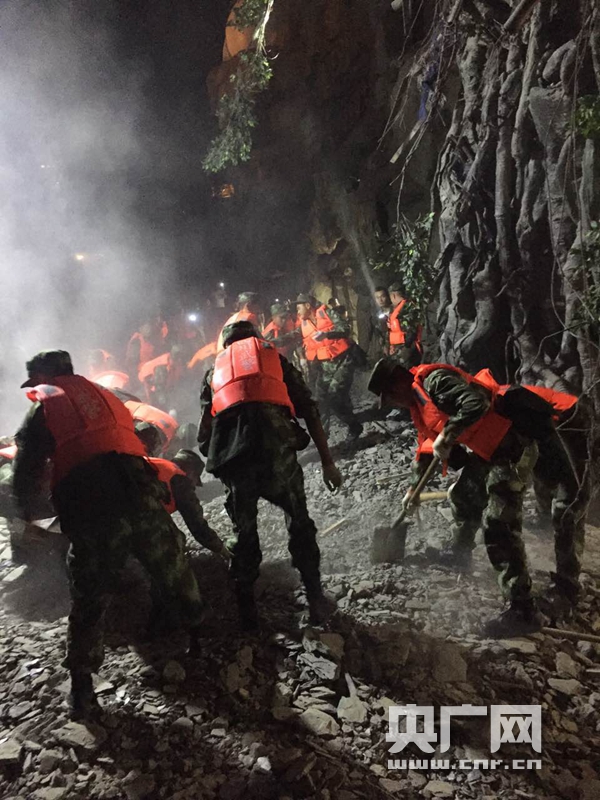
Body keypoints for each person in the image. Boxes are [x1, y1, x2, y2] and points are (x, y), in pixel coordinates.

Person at [12, 350, 206, 719]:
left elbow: (27, 465)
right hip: (138, 489)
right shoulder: (105, 396)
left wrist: (30, 517)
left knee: (89, 592)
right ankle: (198, 638)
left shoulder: (46, 403)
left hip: (92, 499)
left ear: (46, 377)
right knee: (172, 564)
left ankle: (82, 689)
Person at [367, 358, 570, 637]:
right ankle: (459, 553)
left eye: (389, 397)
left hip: (512, 447)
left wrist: (449, 435)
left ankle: (523, 610)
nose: (393, 403)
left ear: (398, 384)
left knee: (499, 524)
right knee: (464, 496)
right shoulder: (418, 402)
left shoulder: (436, 381)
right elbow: (426, 446)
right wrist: (413, 491)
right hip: (489, 449)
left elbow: (476, 404)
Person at [198, 321, 343, 630]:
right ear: (256, 340)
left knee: (244, 534)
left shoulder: (213, 372)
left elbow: (203, 436)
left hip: (236, 460)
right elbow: (309, 409)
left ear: (226, 346)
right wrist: (328, 462)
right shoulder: (274, 359)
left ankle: (248, 613)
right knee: (299, 522)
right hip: (276, 455)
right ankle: (316, 599)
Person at [296, 294, 363, 440]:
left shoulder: (327, 313)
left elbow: (345, 329)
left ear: (307, 305)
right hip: (325, 365)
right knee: (320, 399)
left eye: (299, 308)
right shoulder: (303, 324)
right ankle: (322, 434)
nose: (298, 312)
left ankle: (354, 426)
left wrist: (327, 334)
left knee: (335, 395)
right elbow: (292, 336)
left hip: (344, 360)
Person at [147, 449, 230, 561]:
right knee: (172, 542)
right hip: (137, 516)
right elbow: (196, 524)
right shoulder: (179, 479)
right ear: (191, 471)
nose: (194, 486)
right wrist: (220, 549)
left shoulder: (159, 465)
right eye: (195, 479)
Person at [387, 283, 422, 366]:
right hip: (399, 347)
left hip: (408, 348)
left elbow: (412, 330)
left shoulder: (406, 308)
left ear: (393, 295)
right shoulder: (397, 309)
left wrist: (406, 348)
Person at [125, 314, 169, 380]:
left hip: (160, 374)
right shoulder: (137, 341)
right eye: (146, 324)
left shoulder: (158, 337)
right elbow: (131, 365)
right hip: (144, 377)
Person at [366, 286, 394, 360]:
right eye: (377, 298)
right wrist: (384, 347)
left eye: (382, 296)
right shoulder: (376, 316)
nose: (380, 300)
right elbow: (379, 334)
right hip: (387, 350)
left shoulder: (395, 310)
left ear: (387, 296)